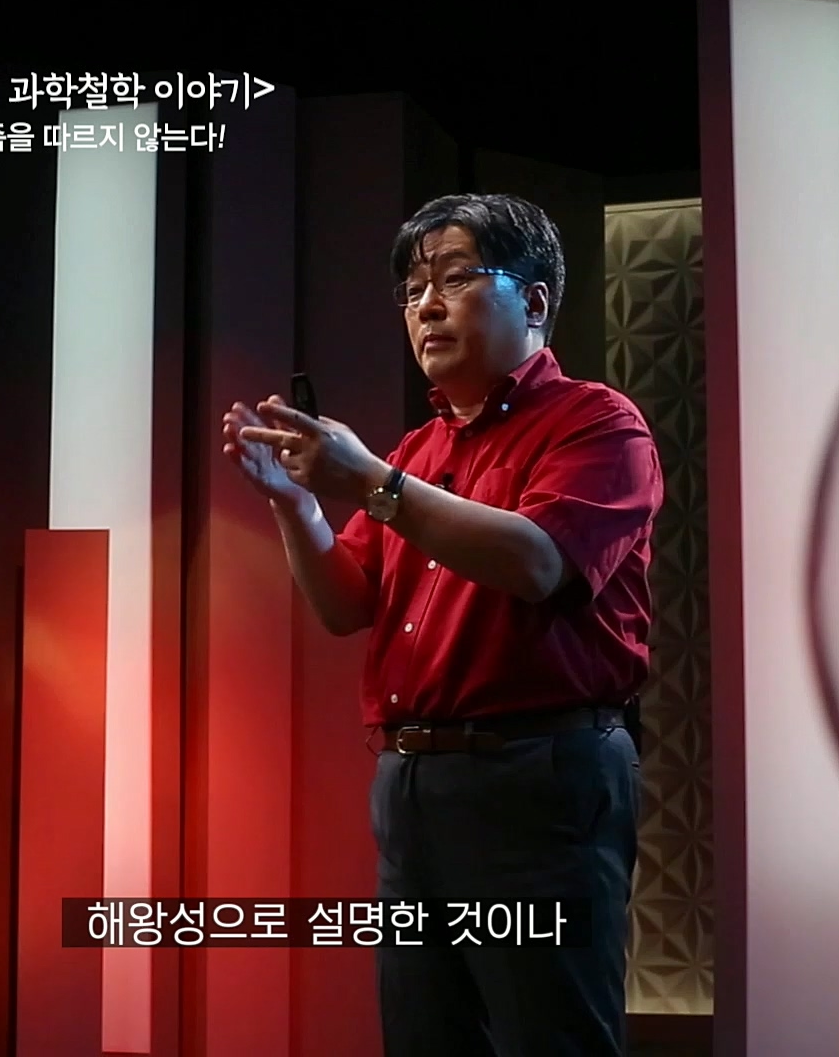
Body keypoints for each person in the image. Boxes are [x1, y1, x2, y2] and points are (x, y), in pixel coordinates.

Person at [220, 193, 661, 1056]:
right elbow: (345, 605)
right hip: (414, 782)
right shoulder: (420, 452)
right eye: (413, 288)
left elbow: (538, 563)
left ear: (534, 301)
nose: (426, 306)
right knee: (426, 1036)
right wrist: (295, 505)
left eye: (455, 278)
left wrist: (372, 482)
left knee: (550, 1037)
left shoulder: (597, 422)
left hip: (537, 776)